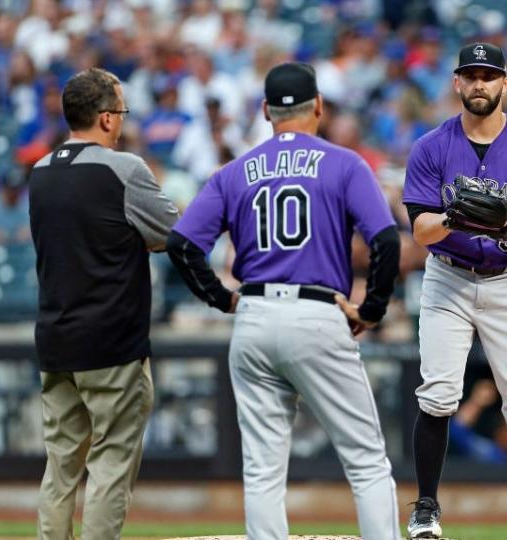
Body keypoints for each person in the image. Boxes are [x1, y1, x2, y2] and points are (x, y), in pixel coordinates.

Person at [166, 62, 401, 540]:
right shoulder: (344, 162)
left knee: (262, 470)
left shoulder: (234, 171)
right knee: (366, 461)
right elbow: (386, 240)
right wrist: (372, 309)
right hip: (316, 312)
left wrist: (223, 300)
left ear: (265, 111)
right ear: (318, 106)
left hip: (253, 315)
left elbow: (182, 244)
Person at [402, 42, 507, 540]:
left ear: (506, 83)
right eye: (471, 75)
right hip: (448, 278)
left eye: (489, 75)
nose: (480, 83)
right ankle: (427, 509)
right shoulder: (431, 146)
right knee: (437, 393)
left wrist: (504, 221)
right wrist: (455, 216)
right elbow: (420, 230)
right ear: (457, 83)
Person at [28, 67, 179, 540]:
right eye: (123, 112)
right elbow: (171, 233)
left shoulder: (40, 171)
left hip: (55, 338)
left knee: (61, 468)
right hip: (112, 342)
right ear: (108, 118)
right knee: (110, 463)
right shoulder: (125, 168)